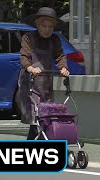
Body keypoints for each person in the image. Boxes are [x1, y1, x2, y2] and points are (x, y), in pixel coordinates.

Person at [19, 7, 70, 140]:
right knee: (35, 117)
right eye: (44, 26)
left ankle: (41, 147)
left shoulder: (55, 40)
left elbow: (60, 56)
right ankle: (34, 149)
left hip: (46, 80)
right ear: (37, 24)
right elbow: (24, 56)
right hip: (29, 81)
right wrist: (30, 68)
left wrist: (63, 67)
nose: (47, 29)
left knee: (46, 116)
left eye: (50, 26)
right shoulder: (28, 38)